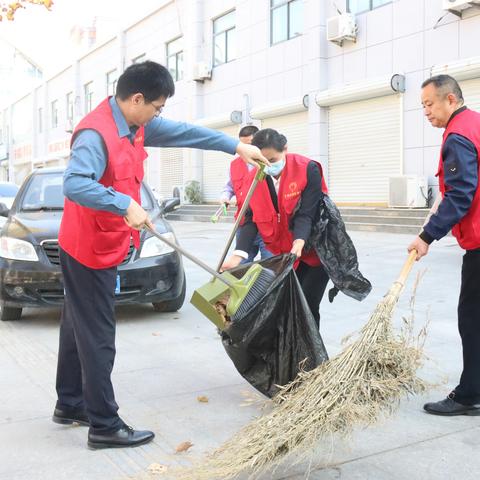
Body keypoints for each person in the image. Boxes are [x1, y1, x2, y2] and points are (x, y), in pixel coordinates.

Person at [53, 60, 268, 449]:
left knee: (76, 324)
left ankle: (70, 402)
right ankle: (103, 424)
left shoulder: (135, 125)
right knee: (98, 334)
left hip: (100, 241)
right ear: (136, 99)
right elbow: (73, 184)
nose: (158, 115)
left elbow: (186, 133)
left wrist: (237, 147)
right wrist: (122, 203)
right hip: (87, 249)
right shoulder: (95, 134)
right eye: (157, 107)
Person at [408, 74, 480, 416]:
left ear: (450, 99)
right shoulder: (476, 123)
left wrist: (426, 236)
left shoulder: (458, 135)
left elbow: (462, 193)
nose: (426, 111)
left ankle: (470, 395)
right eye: (422, 105)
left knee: (472, 319)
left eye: (429, 103)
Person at [222, 128, 329, 327]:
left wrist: (299, 241)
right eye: (262, 161)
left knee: (307, 306)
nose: (268, 166)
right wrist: (239, 255)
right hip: (283, 254)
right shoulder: (254, 177)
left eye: (272, 159)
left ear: (285, 149)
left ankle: (311, 356)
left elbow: (307, 213)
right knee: (285, 305)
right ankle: (288, 353)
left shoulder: (307, 169)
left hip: (313, 250)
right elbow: (251, 216)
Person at [220, 125, 272, 263]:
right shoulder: (234, 164)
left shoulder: (268, 163)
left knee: (270, 266)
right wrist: (225, 197)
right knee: (240, 265)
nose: (245, 150)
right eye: (241, 146)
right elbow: (229, 187)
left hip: (266, 225)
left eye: (249, 145)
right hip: (244, 222)